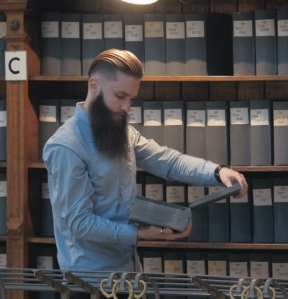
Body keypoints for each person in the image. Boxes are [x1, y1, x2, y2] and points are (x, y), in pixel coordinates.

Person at [43, 49, 248, 272]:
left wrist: (218, 172)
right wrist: (139, 234)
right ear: (94, 86)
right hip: (88, 282)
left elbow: (169, 162)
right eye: (120, 96)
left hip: (129, 271)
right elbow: (79, 223)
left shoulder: (123, 132)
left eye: (131, 98)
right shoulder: (66, 146)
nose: (127, 107)